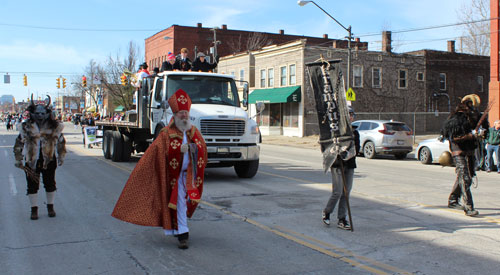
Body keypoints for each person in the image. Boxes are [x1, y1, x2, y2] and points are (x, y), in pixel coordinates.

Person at [112, 89, 207, 249]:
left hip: (189, 176)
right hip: (173, 178)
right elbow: (156, 154)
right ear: (175, 115)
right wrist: (177, 150)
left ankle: (179, 229)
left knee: (185, 203)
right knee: (179, 203)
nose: (184, 116)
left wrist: (192, 149)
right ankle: (183, 234)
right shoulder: (165, 134)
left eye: (186, 112)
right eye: (181, 113)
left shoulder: (194, 132)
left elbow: (202, 148)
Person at [13, 95, 66, 220]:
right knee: (32, 185)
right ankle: (34, 209)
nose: (40, 116)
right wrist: (18, 157)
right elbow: (19, 142)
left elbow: (61, 141)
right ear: (32, 113)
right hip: (32, 161)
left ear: (47, 113)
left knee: (50, 183)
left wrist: (61, 155)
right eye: (38, 113)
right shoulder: (26, 127)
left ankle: (50, 207)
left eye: (43, 113)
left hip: (49, 159)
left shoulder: (54, 127)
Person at [440, 94, 488, 216]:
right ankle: (468, 206)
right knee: (464, 176)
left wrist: (482, 133)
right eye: (471, 106)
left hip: (470, 150)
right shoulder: (458, 117)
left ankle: (453, 199)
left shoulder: (476, 116)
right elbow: (455, 137)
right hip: (458, 150)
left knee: (468, 176)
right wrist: (472, 135)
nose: (474, 109)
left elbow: (484, 130)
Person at [322, 107, 360, 230]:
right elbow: (326, 147)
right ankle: (327, 212)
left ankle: (342, 219)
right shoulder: (335, 132)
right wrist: (336, 152)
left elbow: (357, 149)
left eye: (352, 115)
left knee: (346, 192)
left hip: (349, 165)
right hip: (337, 165)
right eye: (348, 114)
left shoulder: (354, 132)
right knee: (337, 192)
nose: (351, 117)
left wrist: (348, 154)